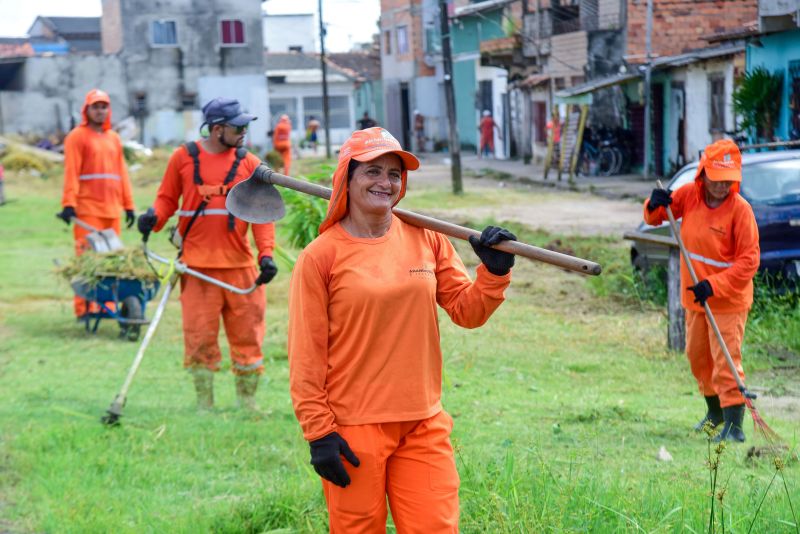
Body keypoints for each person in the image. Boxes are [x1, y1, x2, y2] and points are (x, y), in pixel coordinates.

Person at [288, 127, 517, 531]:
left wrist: (493, 272)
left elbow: (467, 311)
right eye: (372, 171)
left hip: (423, 421)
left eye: (394, 174)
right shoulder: (321, 256)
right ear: (347, 177)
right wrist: (318, 432)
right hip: (353, 428)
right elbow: (306, 354)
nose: (385, 182)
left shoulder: (426, 237)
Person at [136, 97, 279, 411]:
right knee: (199, 339)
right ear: (217, 129)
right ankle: (205, 404)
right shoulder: (182, 158)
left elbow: (263, 215)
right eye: (238, 127)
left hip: (240, 269)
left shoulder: (250, 164)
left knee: (248, 339)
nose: (244, 132)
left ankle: (247, 403)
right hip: (196, 269)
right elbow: (165, 201)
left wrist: (265, 255)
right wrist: (152, 219)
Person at [643, 139, 759, 442]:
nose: (721, 186)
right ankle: (715, 413)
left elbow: (749, 262)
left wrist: (715, 285)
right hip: (695, 297)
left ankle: (734, 426)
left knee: (725, 360)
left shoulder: (741, 211)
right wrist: (654, 202)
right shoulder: (690, 196)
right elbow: (656, 217)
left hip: (728, 300)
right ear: (703, 174)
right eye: (716, 179)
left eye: (728, 181)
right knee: (698, 358)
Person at [57, 89, 135, 317]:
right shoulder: (76, 137)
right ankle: (84, 308)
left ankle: (106, 306)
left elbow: (122, 174)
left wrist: (128, 205)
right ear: (87, 110)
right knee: (87, 258)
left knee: (110, 261)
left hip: (112, 210)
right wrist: (68, 204)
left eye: (104, 106)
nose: (100, 111)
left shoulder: (113, 138)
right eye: (96, 106)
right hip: (87, 209)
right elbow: (71, 172)